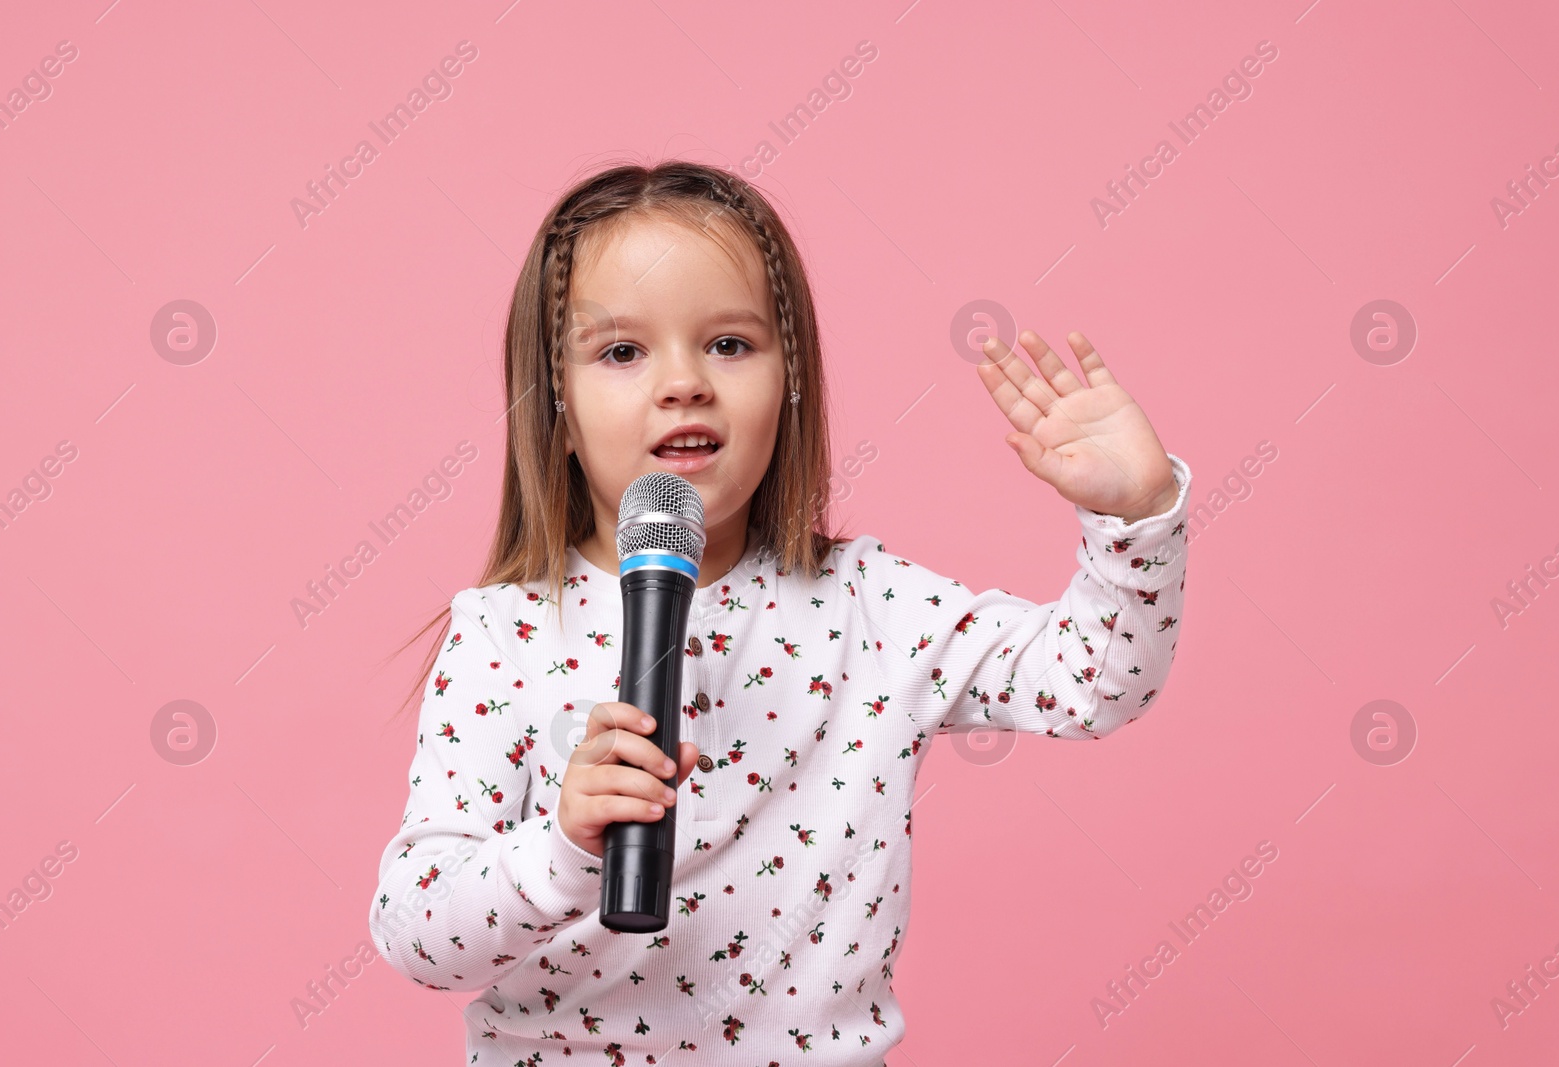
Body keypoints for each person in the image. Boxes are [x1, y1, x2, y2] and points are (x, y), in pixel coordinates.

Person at [367, 159, 1193, 1064]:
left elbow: (1093, 681)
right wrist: (561, 843)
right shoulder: (505, 634)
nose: (683, 383)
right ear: (556, 404)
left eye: (728, 344)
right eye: (622, 351)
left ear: (790, 377)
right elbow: (418, 933)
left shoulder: (870, 607)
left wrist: (1134, 513)